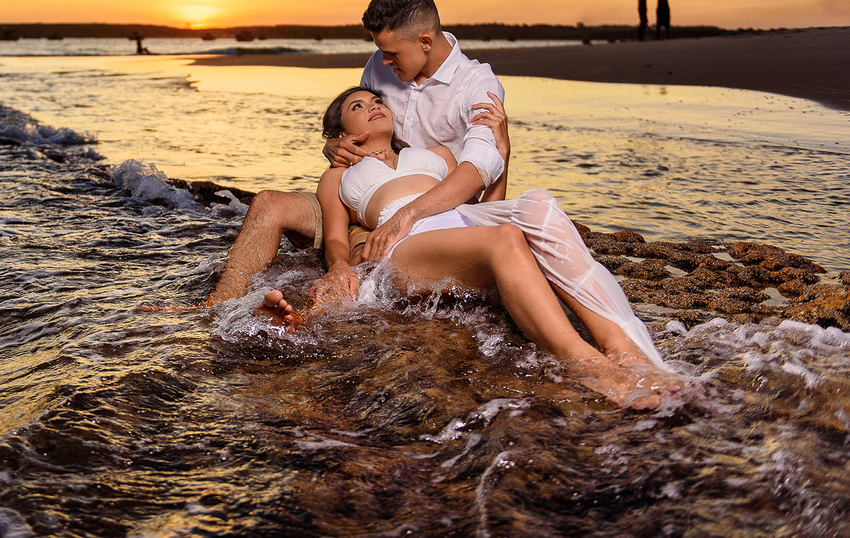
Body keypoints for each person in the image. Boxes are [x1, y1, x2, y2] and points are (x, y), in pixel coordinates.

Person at [260, 87, 679, 408]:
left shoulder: (435, 154)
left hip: (462, 231)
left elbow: (484, 207)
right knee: (503, 238)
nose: (374, 104)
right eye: (358, 106)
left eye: (376, 99)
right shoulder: (338, 176)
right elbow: (335, 236)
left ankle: (621, 348)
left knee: (535, 206)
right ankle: (582, 361)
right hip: (405, 245)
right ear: (339, 134)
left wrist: (504, 146)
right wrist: (339, 267)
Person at [202, 0, 505, 306]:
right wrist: (333, 145)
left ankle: (304, 317)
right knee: (268, 203)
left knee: (362, 259)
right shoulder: (381, 63)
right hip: (360, 196)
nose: (384, 61)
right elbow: (351, 115)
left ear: (425, 41)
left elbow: (482, 166)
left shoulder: (477, 85)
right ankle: (215, 306)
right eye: (381, 51)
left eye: (392, 53)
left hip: (433, 213)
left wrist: (403, 217)